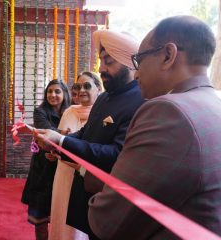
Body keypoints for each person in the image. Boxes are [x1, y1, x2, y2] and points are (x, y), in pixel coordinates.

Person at [88, 15, 221, 239]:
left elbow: (108, 221)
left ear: (168, 55)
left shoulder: (168, 112)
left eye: (139, 60)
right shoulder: (215, 104)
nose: (137, 72)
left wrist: (98, 190)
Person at [33, 30, 145, 240]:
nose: (101, 68)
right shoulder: (103, 98)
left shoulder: (140, 100)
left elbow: (116, 153)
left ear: (129, 63)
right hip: (86, 192)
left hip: (111, 201)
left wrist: (62, 141)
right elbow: (86, 133)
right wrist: (55, 142)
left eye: (109, 62)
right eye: (101, 61)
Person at [49, 72, 103, 240]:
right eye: (78, 87)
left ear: (99, 89)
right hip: (64, 174)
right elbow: (61, 141)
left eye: (87, 86)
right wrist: (54, 151)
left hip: (85, 176)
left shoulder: (102, 115)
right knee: (62, 215)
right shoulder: (69, 112)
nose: (82, 90)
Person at [21, 79, 71, 240]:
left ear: (64, 94)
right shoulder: (40, 111)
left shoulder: (71, 112)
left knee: (63, 217)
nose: (53, 95)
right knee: (40, 218)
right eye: (50, 91)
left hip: (64, 168)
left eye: (57, 91)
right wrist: (63, 132)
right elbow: (46, 132)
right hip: (42, 169)